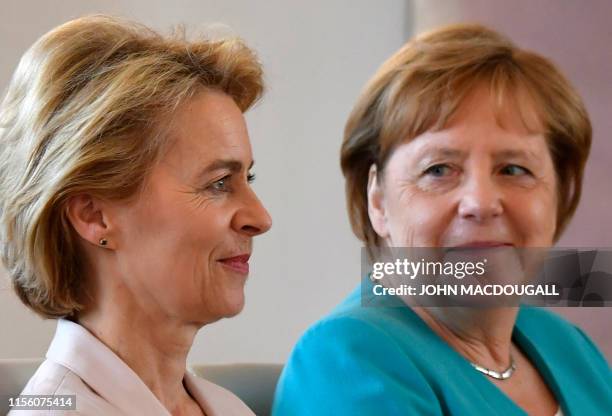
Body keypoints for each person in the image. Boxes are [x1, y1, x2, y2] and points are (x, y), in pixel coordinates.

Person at [273, 24, 612, 415]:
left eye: (514, 169)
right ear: (378, 200)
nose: (481, 202)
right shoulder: (344, 360)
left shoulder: (568, 347)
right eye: (438, 169)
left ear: (559, 193)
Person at [0, 15, 271, 415]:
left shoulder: (231, 409)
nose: (260, 217)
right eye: (218, 182)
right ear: (94, 216)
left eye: (247, 177)